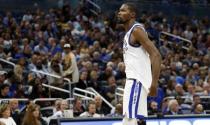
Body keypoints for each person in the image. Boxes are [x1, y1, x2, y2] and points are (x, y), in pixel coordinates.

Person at [117, 3, 162, 125]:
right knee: (138, 121)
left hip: (136, 81)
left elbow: (156, 55)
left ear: (132, 14)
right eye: (119, 11)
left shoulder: (136, 30)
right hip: (134, 81)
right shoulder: (128, 34)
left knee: (129, 121)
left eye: (123, 10)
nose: (119, 13)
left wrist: (154, 83)